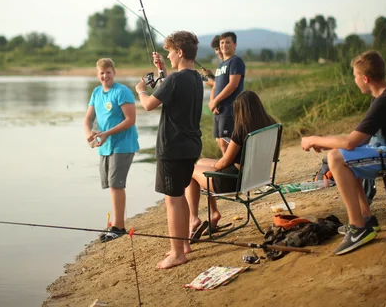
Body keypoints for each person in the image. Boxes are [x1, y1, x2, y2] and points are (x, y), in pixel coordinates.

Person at [301, 50, 386, 255]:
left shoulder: (385, 101)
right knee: (338, 153)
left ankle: (358, 228)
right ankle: (366, 219)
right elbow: (357, 139)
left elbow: (351, 142)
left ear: (365, 78)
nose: (354, 80)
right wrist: (327, 144)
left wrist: (314, 139)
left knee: (336, 157)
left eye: (354, 76)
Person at [135, 31, 203, 269]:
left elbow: (148, 105)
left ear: (180, 52)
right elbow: (173, 88)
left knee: (172, 200)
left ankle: (178, 253)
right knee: (180, 193)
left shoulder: (175, 80)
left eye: (170, 52)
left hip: (173, 148)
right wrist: (162, 68)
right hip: (191, 146)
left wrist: (141, 90)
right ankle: (183, 245)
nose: (168, 55)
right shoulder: (195, 78)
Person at [186, 91, 276, 239]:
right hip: (257, 175)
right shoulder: (271, 124)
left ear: (240, 109)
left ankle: (194, 218)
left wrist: (215, 168)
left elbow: (225, 162)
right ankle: (214, 213)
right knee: (201, 162)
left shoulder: (242, 129)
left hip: (234, 181)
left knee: (189, 170)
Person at [84, 58, 139, 242]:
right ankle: (117, 222)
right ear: (97, 75)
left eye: (108, 72)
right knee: (111, 185)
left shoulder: (122, 91)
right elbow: (88, 119)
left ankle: (118, 227)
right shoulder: (96, 92)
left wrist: (106, 133)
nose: (105, 76)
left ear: (114, 73)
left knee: (116, 184)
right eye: (101, 73)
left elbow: (130, 120)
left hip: (123, 144)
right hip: (105, 146)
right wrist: (89, 134)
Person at [210, 32, 246, 155]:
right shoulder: (220, 65)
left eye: (228, 42)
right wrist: (212, 103)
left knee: (228, 143)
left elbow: (233, 84)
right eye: (222, 43)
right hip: (219, 111)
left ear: (234, 44)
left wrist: (216, 101)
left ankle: (236, 170)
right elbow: (215, 86)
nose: (224, 45)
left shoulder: (236, 61)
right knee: (221, 142)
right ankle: (228, 171)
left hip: (229, 110)